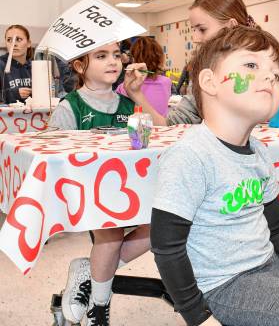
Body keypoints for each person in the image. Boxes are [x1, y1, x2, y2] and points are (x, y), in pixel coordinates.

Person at [150, 26, 279, 326]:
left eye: (277, 75)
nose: (269, 77)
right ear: (210, 82)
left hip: (269, 264)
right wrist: (199, 318)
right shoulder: (191, 155)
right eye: (251, 65)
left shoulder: (258, 151)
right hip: (227, 284)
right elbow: (166, 246)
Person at [126, 0, 279, 126]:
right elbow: (171, 124)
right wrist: (137, 94)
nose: (195, 38)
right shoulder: (204, 70)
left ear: (230, 26)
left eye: (202, 29)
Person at [51, 42, 150, 326]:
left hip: (132, 190)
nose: (113, 62)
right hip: (90, 195)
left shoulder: (130, 105)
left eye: (116, 55)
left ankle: (87, 269)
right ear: (80, 66)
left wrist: (137, 94)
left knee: (168, 224)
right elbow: (55, 158)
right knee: (111, 230)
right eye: (101, 56)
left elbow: (153, 140)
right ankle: (99, 307)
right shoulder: (71, 106)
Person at [116, 36, 172, 117]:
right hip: (161, 127)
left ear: (134, 58)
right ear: (159, 58)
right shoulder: (166, 82)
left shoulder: (124, 87)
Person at [0, 24, 32, 103]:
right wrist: (14, 94)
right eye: (9, 40)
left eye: (18, 39)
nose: (14, 44)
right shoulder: (1, 64)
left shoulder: (34, 67)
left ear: (28, 43)